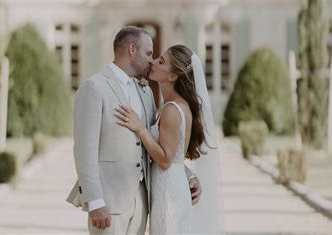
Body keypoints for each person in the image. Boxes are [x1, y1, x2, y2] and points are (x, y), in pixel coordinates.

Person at [66, 26, 202, 235]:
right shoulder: (94, 88)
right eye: (148, 53)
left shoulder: (146, 91)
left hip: (143, 203)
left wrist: (187, 175)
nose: (151, 60)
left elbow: (155, 143)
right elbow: (84, 151)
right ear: (132, 50)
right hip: (109, 203)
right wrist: (94, 201)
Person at [115, 44, 223, 234]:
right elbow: (176, 156)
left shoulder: (172, 110)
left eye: (161, 61)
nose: (153, 62)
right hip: (170, 185)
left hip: (168, 193)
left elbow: (165, 160)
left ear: (173, 76)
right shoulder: (175, 106)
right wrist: (190, 176)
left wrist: (140, 128)